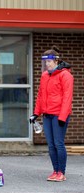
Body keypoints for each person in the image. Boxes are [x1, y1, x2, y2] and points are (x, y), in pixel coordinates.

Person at [30, 45, 74, 182]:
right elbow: (41, 95)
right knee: (50, 144)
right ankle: (55, 171)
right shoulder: (45, 76)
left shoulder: (66, 75)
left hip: (59, 115)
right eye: (45, 62)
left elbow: (68, 97)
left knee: (58, 143)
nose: (47, 64)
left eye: (49, 61)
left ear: (56, 61)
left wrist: (62, 116)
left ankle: (61, 172)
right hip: (47, 115)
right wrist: (36, 113)